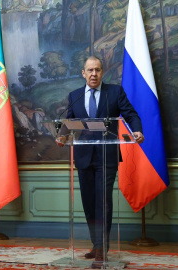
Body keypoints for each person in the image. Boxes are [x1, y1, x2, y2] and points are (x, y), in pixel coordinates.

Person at [58, 56, 144, 267]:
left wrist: (137, 129)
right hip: (83, 157)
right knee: (89, 203)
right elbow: (68, 121)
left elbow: (131, 114)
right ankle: (96, 244)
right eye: (90, 70)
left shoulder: (115, 92)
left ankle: (102, 248)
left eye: (97, 70)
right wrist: (61, 135)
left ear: (102, 72)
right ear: (83, 73)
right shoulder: (75, 96)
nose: (94, 74)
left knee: (102, 202)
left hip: (106, 158)